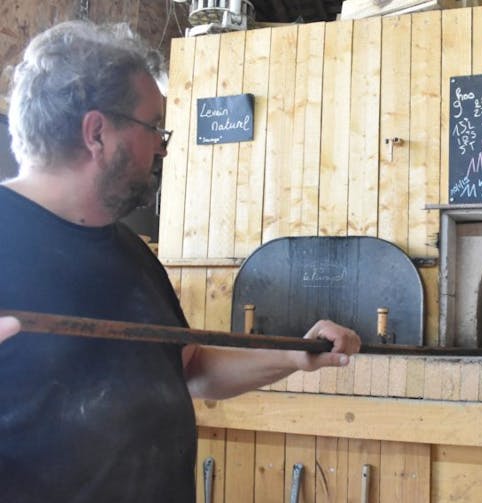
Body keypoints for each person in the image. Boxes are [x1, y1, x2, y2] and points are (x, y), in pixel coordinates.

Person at [0, 20, 361, 502]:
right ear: (97, 133)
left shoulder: (129, 252)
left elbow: (190, 367)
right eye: (153, 127)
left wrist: (295, 354)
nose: (161, 147)